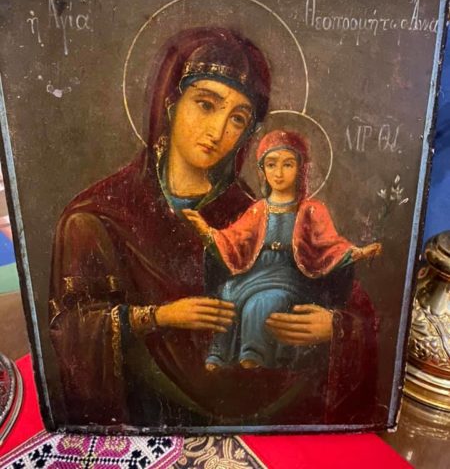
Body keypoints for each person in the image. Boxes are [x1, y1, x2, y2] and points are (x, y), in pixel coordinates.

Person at [49, 26, 379, 428]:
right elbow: (72, 330)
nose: (218, 131)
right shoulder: (96, 218)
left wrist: (336, 328)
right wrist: (158, 317)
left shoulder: (255, 212)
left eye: (237, 118)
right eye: (206, 104)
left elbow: (352, 306)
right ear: (170, 103)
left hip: (265, 416)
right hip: (151, 419)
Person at [184, 129, 382, 371]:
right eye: (271, 164)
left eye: (287, 164)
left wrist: (357, 252)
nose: (278, 173)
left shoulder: (311, 210)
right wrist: (206, 231)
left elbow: (330, 245)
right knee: (228, 293)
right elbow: (233, 239)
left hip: (291, 274)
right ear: (262, 170)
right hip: (257, 271)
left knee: (264, 301)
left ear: (300, 169)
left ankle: (254, 354)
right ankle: (221, 354)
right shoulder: (258, 209)